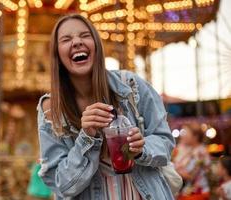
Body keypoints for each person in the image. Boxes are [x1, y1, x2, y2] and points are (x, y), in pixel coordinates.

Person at [37, 13, 175, 200]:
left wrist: (141, 148)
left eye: (85, 36)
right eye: (66, 39)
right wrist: (86, 137)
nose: (77, 42)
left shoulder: (131, 86)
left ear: (96, 46)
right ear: (57, 54)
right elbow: (62, 185)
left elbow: (165, 142)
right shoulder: (51, 109)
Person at [174, 123, 211, 199]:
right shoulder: (188, 148)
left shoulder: (200, 152)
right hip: (187, 191)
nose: (182, 135)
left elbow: (191, 176)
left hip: (196, 192)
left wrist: (175, 170)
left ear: (195, 136)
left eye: (186, 133)